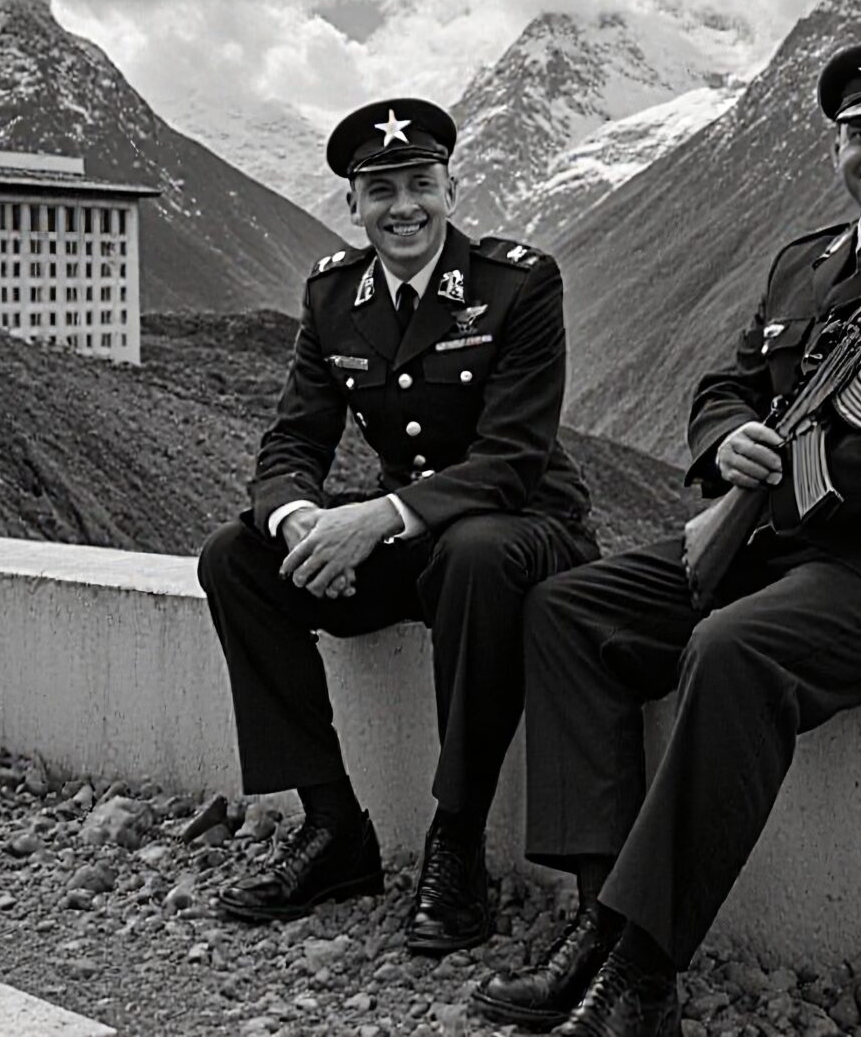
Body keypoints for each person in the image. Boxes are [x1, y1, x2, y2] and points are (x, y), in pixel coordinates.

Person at [475, 41, 861, 1035]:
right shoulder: (806, 262)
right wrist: (725, 440)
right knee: (569, 608)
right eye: (858, 133)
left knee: (733, 644)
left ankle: (641, 966)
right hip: (785, 548)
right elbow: (728, 384)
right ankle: (594, 917)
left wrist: (775, 485)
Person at [199, 96, 599, 955]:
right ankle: (334, 827)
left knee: (474, 548)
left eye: (420, 183)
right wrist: (304, 521)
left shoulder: (518, 283)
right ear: (353, 203)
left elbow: (512, 459)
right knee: (236, 557)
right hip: (419, 542)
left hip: (526, 530)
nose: (403, 206)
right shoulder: (334, 295)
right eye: (380, 190)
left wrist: (377, 518)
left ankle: (456, 842)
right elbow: (293, 439)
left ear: (452, 188)